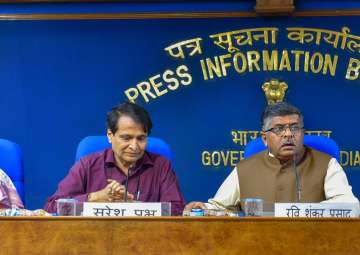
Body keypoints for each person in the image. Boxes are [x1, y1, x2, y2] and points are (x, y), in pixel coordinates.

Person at [186, 102, 359, 211]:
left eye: (295, 128)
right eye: (279, 129)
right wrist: (203, 208)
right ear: (264, 138)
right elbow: (219, 207)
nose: (288, 134)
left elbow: (351, 205)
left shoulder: (326, 164)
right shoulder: (246, 168)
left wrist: (305, 211)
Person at [44, 102, 185, 215]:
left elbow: (177, 210)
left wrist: (133, 207)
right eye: (126, 138)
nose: (134, 146)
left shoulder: (161, 166)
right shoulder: (87, 165)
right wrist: (95, 198)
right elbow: (52, 207)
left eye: (141, 138)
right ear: (110, 136)